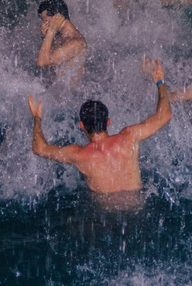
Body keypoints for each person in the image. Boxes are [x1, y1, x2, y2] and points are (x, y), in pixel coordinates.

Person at [27, 59, 171, 194]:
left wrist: (37, 118)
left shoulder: (78, 154)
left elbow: (39, 148)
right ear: (108, 122)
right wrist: (160, 81)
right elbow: (165, 115)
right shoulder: (129, 137)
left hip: (106, 216)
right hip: (136, 207)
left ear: (81, 125)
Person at [36, 0, 87, 84]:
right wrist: (44, 37)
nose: (43, 24)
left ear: (57, 18)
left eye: (45, 20)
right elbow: (47, 58)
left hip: (70, 95)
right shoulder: (59, 36)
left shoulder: (75, 42)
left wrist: (50, 31)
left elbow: (42, 63)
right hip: (57, 89)